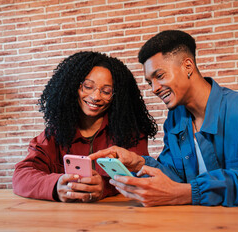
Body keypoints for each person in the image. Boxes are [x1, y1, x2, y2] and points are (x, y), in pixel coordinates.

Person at [90, 30, 238, 207]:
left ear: (188, 66)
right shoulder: (174, 119)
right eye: (149, 82)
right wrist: (138, 163)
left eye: (160, 76)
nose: (154, 88)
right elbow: (173, 176)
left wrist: (189, 193)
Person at [12, 51, 157, 203]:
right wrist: (56, 185)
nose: (95, 97)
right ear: (73, 86)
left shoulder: (130, 133)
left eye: (106, 91)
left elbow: (141, 176)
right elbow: (21, 175)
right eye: (88, 86)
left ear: (117, 97)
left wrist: (105, 187)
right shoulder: (54, 134)